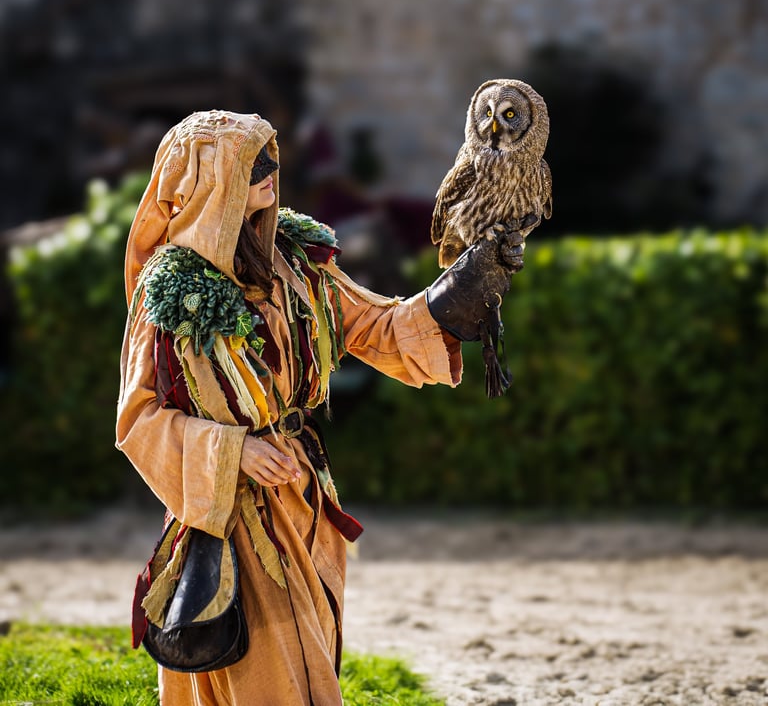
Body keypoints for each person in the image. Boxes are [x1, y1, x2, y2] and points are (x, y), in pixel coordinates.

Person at [117, 109, 523, 706]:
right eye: (249, 161)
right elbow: (138, 419)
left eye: (272, 155)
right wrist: (235, 451)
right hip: (227, 512)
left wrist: (457, 288)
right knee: (270, 671)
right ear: (207, 177)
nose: (270, 170)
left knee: (309, 655)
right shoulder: (168, 288)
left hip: (302, 497)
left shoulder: (297, 262)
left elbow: (377, 325)